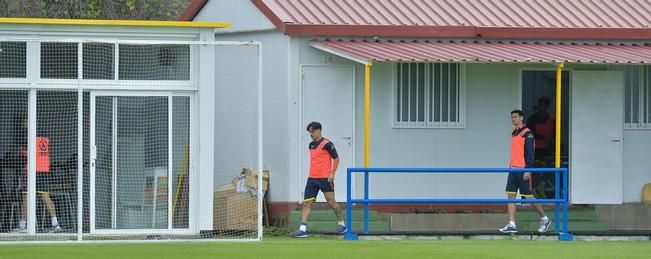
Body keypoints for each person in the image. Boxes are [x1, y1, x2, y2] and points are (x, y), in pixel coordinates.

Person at [499, 110, 551, 234]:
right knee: (510, 195)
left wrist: (528, 169)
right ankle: (512, 223)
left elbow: (530, 154)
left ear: (521, 118)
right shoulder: (514, 133)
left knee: (528, 197)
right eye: (512, 117)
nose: (513, 119)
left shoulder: (527, 134)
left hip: (522, 169)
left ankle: (544, 218)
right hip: (513, 168)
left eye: (516, 117)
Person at [293, 121, 345, 238]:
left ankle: (342, 224)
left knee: (332, 203)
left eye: (312, 131)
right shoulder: (311, 145)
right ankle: (302, 229)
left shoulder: (327, 144)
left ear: (318, 130)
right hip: (312, 178)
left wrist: (332, 173)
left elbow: (336, 159)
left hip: (325, 179)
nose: (311, 134)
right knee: (306, 203)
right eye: (309, 132)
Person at [15, 118, 61, 233]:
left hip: (32, 170)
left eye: (24, 122)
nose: (22, 124)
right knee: (45, 196)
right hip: (44, 169)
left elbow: (25, 153)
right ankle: (55, 225)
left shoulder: (27, 135)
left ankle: (22, 226)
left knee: (26, 197)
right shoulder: (44, 135)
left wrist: (20, 150)